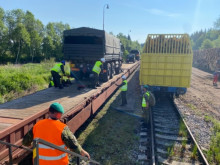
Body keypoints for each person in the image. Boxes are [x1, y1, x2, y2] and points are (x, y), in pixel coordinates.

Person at [22, 102, 90, 165]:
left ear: (49, 112)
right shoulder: (62, 128)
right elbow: (73, 145)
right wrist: (83, 152)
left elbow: (25, 142)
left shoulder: (37, 125)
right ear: (59, 114)